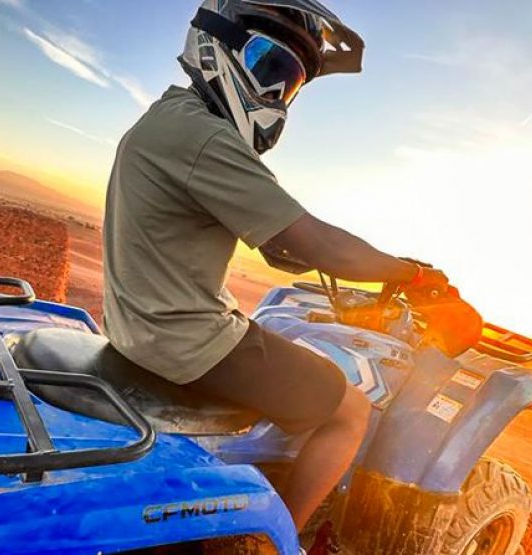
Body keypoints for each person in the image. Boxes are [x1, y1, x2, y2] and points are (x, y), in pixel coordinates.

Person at [102, 0, 449, 550]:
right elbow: (317, 242)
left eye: (287, 84)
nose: (273, 93)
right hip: (189, 342)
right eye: (268, 65)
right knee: (349, 411)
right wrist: (414, 274)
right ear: (216, 45)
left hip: (140, 327)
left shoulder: (169, 120)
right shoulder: (206, 138)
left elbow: (279, 243)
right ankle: (281, 540)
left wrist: (297, 243)